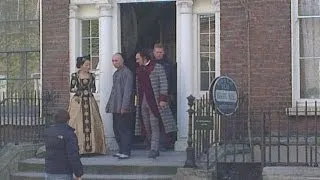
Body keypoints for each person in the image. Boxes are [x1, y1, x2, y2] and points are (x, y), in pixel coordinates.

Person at [135, 49, 177, 158]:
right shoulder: (139, 70)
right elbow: (137, 87)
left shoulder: (157, 67)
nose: (136, 61)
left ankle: (154, 148)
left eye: (138, 58)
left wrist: (163, 99)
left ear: (144, 58)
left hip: (155, 101)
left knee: (154, 124)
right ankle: (150, 142)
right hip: (142, 101)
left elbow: (164, 83)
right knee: (146, 125)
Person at [68, 56, 106, 155]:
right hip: (78, 101)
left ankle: (94, 148)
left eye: (89, 65)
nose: (88, 67)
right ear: (81, 65)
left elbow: (93, 89)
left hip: (90, 100)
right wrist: (79, 92)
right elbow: (72, 88)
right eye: (86, 65)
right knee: (77, 122)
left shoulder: (92, 76)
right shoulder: (75, 76)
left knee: (93, 121)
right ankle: (80, 148)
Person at [105, 53, 135, 159]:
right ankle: (121, 149)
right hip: (115, 106)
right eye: (113, 61)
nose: (114, 63)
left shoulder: (127, 73)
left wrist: (124, 106)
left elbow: (127, 91)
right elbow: (114, 91)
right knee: (117, 129)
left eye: (116, 60)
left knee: (124, 130)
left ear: (122, 61)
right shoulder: (116, 74)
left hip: (123, 107)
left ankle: (126, 151)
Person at [45, 109, 83, 180]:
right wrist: (78, 173)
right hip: (63, 171)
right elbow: (73, 155)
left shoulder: (49, 132)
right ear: (68, 119)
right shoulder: (69, 133)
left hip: (49, 171)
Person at [152, 43, 177, 151]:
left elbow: (172, 80)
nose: (159, 54)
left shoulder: (169, 65)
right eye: (157, 52)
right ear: (153, 52)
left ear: (164, 52)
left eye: (160, 52)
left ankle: (166, 142)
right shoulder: (150, 65)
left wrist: (171, 95)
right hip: (153, 96)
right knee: (154, 120)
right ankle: (154, 143)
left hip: (166, 96)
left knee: (166, 121)